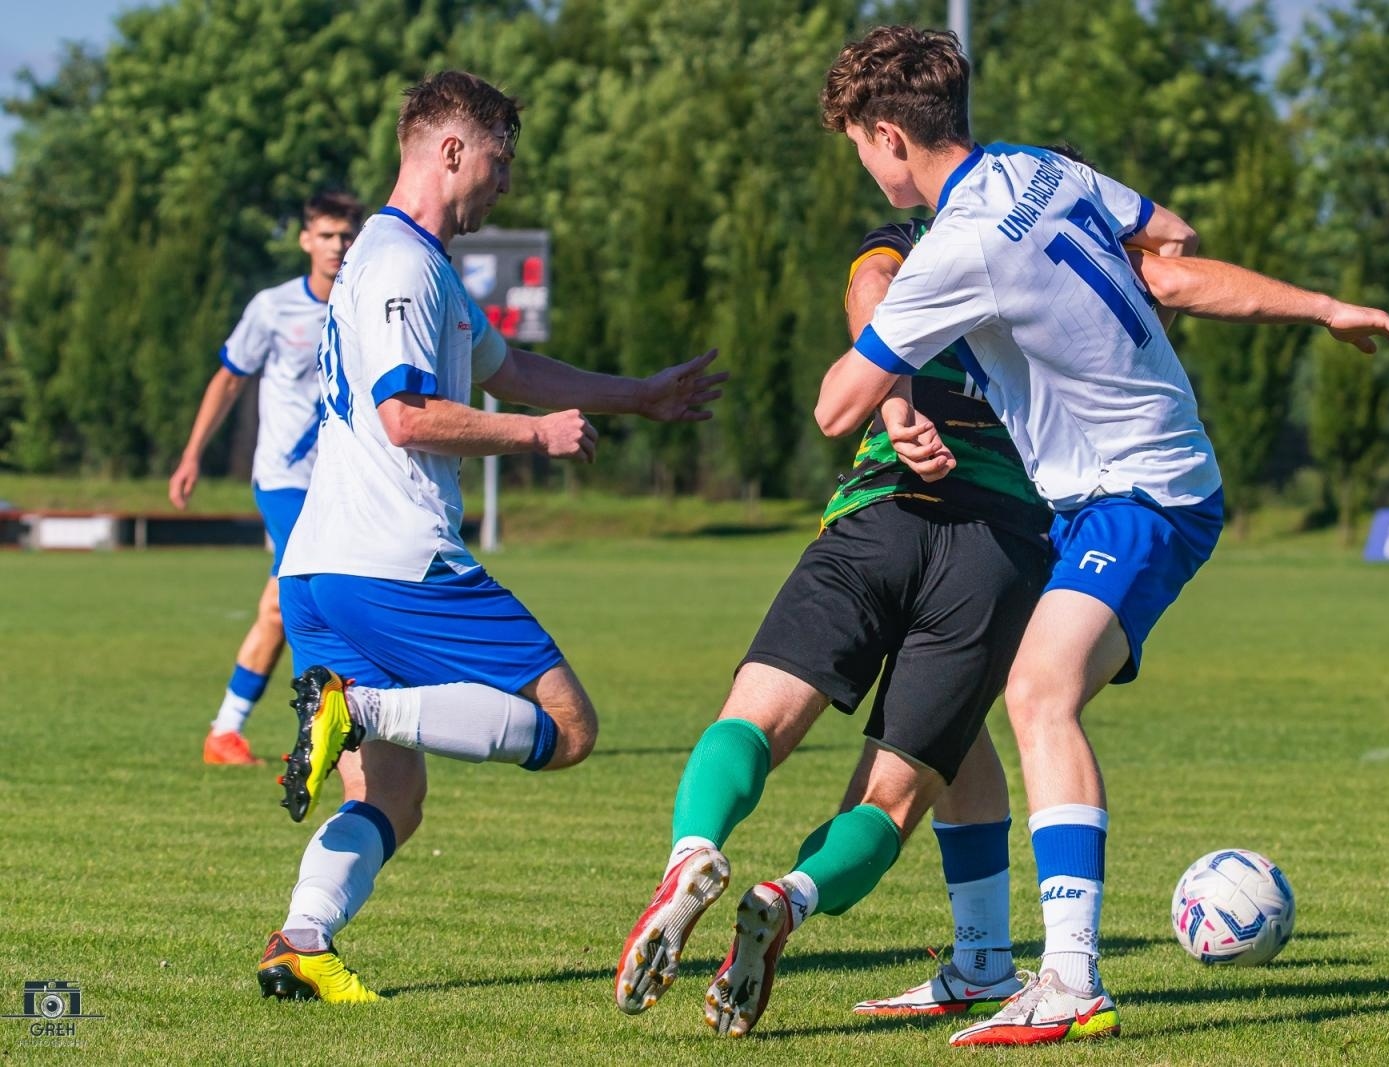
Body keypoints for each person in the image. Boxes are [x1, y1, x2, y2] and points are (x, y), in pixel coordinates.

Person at [812, 26, 1389, 1047]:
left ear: (887, 135)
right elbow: (1170, 249)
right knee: (971, 688)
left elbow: (837, 407)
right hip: (1109, 490)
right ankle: (976, 960)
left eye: (858, 147)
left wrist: (888, 321)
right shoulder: (1038, 168)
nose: (864, 166)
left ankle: (1069, 977)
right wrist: (1322, 308)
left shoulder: (956, 245)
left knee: (1037, 691)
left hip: (1139, 493)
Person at [615, 178, 1197, 1036]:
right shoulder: (1090, 285)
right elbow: (1177, 274)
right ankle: (790, 898)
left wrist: (893, 391)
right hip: (1000, 549)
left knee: (758, 718)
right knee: (893, 795)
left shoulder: (923, 239)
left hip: (878, 513)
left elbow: (870, 290)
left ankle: (695, 848)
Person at [254, 70, 726, 1004]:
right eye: (499, 164)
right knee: (569, 726)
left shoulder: (418, 265)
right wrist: (537, 438)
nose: (504, 187)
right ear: (452, 150)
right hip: (391, 561)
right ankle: (358, 706)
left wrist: (636, 395)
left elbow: (510, 368)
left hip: (317, 568)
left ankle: (302, 939)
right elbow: (406, 415)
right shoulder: (397, 263)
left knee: (390, 796)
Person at [169, 191, 363, 766]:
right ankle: (322, 722)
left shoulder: (366, 307)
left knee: (280, 606)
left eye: (347, 234)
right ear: (306, 240)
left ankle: (228, 731)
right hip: (283, 479)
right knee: (306, 594)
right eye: (326, 234)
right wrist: (191, 454)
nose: (337, 245)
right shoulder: (273, 307)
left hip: (344, 483)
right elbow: (228, 380)